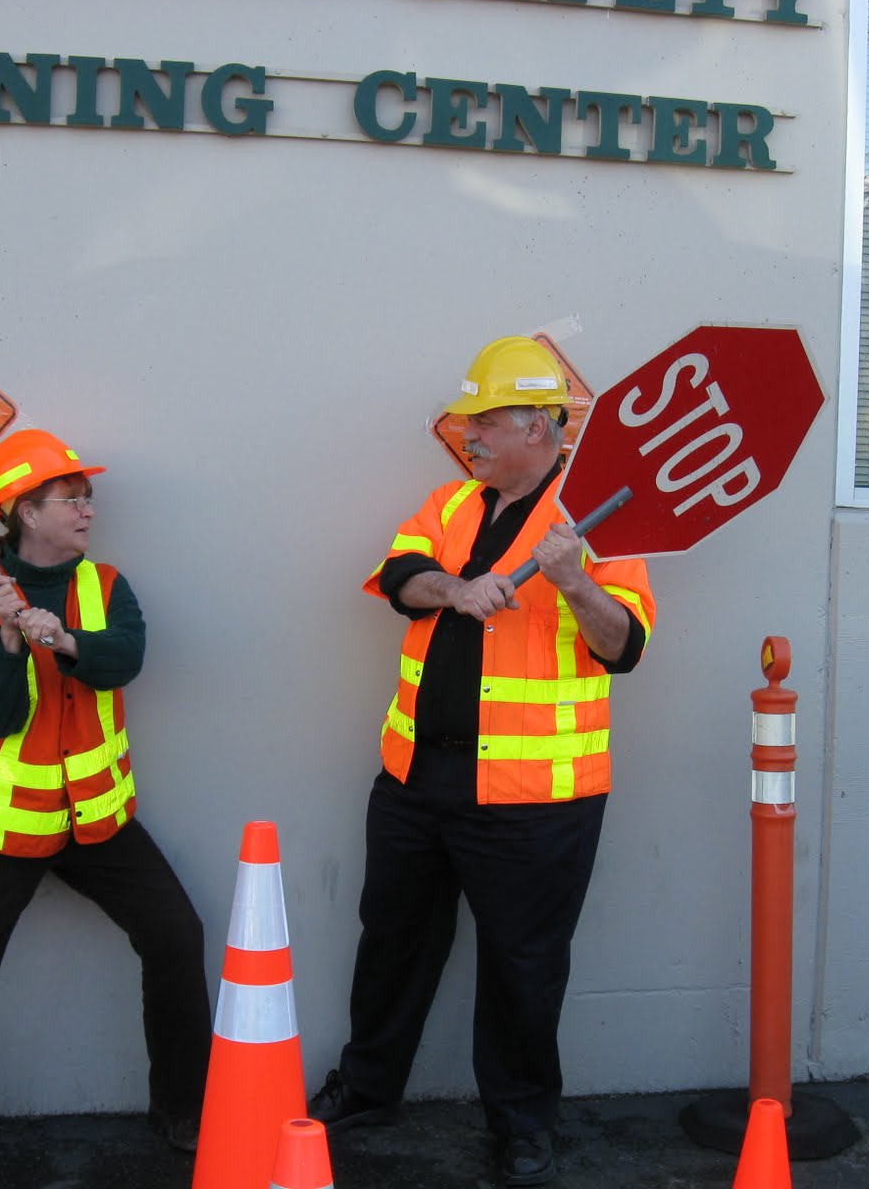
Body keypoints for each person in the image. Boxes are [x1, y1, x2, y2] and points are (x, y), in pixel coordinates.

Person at [308, 337, 657, 1187]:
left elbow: (626, 647)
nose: (469, 437)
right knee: (391, 942)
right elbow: (398, 575)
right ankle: (367, 1087)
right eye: (467, 424)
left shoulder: (597, 525)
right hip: (417, 781)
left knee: (523, 968)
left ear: (538, 428)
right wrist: (457, 589)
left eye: (486, 423)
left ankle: (523, 1125)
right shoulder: (451, 503)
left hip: (535, 801)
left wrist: (576, 581)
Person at [0, 428, 211, 1167]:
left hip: (97, 820)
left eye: (87, 497)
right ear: (24, 512)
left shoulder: (105, 587)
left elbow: (124, 660)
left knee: (175, 937)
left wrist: (62, 639)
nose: (88, 509)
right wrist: (8, 638)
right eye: (71, 498)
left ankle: (184, 1108)